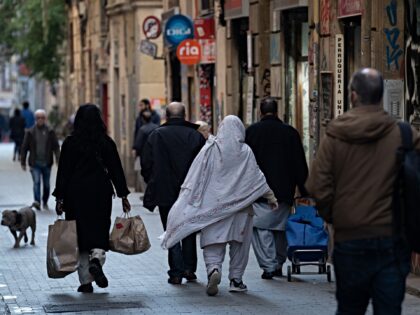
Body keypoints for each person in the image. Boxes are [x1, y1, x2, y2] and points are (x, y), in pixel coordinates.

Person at [306, 68, 420, 315]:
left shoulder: (334, 136)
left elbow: (317, 186)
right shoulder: (404, 135)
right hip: (392, 238)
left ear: (353, 95)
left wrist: (335, 217)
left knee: (349, 309)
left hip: (350, 239)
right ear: (380, 97)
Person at [162, 115, 278, 296]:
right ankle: (236, 279)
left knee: (213, 244)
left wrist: (189, 199)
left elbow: (196, 175)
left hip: (213, 208)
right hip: (241, 208)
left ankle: (213, 270)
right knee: (240, 246)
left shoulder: (210, 149)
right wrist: (271, 197)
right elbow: (256, 176)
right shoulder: (245, 151)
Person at [53, 104, 131, 293]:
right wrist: (123, 194)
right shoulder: (105, 142)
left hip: (76, 195)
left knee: (79, 236)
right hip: (100, 193)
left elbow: (63, 172)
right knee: (99, 230)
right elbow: (115, 170)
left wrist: (60, 198)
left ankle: (85, 282)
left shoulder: (71, 143)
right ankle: (96, 258)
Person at [141, 102, 205, 285]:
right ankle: (189, 268)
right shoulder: (195, 136)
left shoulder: (157, 135)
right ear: (185, 115)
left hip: (165, 191)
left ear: (166, 116)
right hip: (191, 193)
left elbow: (146, 163)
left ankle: (176, 272)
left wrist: (152, 181)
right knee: (189, 229)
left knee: (171, 231)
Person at [245, 97, 308, 279]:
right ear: (277, 111)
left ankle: (269, 264)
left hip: (259, 191)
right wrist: (304, 190)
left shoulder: (252, 133)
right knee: (281, 228)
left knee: (261, 228)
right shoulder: (290, 133)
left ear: (260, 112)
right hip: (284, 191)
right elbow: (299, 164)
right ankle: (279, 262)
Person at [21, 109, 60, 210]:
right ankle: (37, 202)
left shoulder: (50, 131)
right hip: (35, 163)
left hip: (47, 162)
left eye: (42, 117)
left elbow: (56, 147)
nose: (40, 119)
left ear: (45, 119)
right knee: (37, 182)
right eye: (38, 118)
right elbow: (24, 148)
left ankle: (45, 201)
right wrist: (23, 162)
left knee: (46, 185)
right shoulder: (30, 132)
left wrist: (58, 159)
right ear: (35, 119)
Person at [133, 110, 159, 193]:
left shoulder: (142, 129)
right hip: (156, 155)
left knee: (143, 175)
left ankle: (147, 192)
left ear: (143, 119)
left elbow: (138, 144)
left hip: (143, 156)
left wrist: (136, 152)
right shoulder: (157, 128)